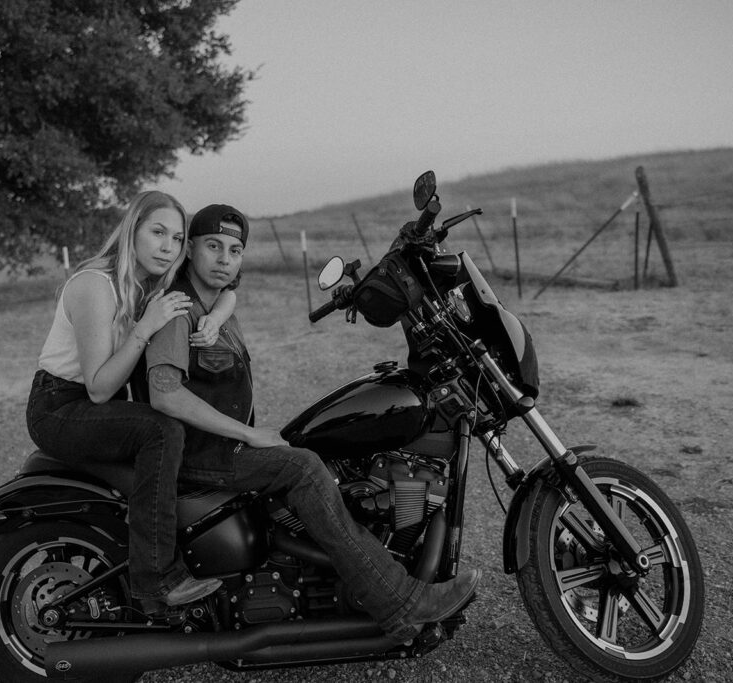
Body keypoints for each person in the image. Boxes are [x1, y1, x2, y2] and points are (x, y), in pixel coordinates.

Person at [140, 203, 480, 641]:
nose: (225, 258)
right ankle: (400, 603)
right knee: (303, 467)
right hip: (201, 452)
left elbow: (229, 291)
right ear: (189, 250)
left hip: (219, 445)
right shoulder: (178, 308)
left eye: (235, 249)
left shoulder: (212, 300)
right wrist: (247, 434)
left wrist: (223, 309)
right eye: (213, 246)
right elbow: (164, 392)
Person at [25, 190, 236, 608]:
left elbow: (229, 288)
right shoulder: (95, 286)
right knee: (161, 430)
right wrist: (145, 327)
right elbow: (99, 387)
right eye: (158, 232)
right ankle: (155, 580)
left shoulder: (147, 285)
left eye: (177, 239)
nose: (167, 247)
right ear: (131, 231)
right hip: (60, 407)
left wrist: (214, 318)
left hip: (94, 405)